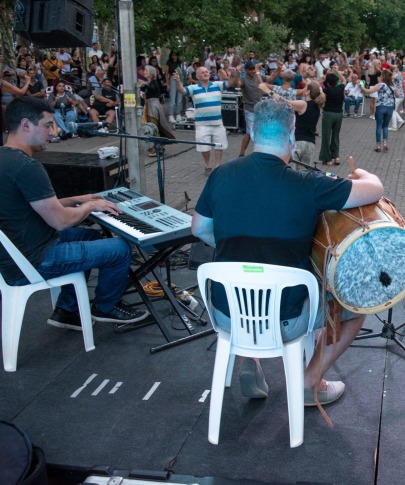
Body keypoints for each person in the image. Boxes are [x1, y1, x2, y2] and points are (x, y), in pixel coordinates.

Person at [191, 96, 384, 403]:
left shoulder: (221, 175)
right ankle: (309, 383)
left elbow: (199, 229)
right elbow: (375, 190)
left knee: (249, 281)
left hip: (226, 313)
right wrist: (363, 174)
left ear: (253, 133)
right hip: (286, 318)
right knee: (356, 305)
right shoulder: (309, 185)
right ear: (292, 134)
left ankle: (249, 358)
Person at [0, 97, 147, 329]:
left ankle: (66, 310)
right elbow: (60, 221)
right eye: (48, 125)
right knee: (119, 249)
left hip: (14, 256)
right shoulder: (27, 167)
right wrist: (90, 206)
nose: (54, 131)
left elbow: (39, 205)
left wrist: (78, 199)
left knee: (88, 237)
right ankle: (105, 307)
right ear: (26, 125)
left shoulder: (5, 159)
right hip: (34, 261)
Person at [172, 65, 240, 172]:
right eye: (202, 72)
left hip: (217, 122)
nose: (206, 73)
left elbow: (230, 82)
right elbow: (181, 90)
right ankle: (207, 165)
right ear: (197, 76)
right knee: (204, 146)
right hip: (202, 124)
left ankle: (218, 166)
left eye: (206, 71)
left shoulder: (217, 85)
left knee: (219, 145)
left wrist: (234, 73)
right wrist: (177, 81)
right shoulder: (194, 88)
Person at [361, 69, 400, 153]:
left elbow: (368, 91)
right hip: (390, 108)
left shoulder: (380, 85)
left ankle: (378, 145)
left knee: (379, 126)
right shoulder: (393, 85)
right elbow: (398, 95)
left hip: (380, 107)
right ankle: (385, 143)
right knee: (385, 126)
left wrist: (361, 87)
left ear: (384, 76)